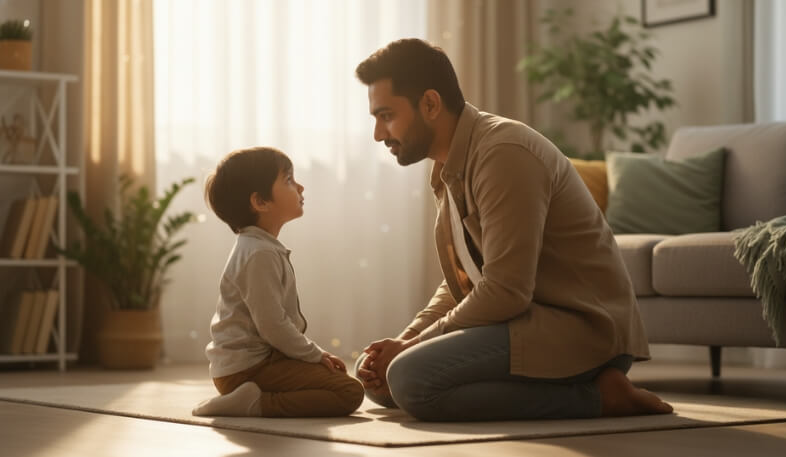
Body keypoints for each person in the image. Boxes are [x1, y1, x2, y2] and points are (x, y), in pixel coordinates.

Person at [353, 38, 674, 421]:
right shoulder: (449, 167)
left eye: (386, 115)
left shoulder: (503, 152)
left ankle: (600, 397)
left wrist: (412, 348)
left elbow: (506, 291)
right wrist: (406, 339)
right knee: (377, 377)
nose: (378, 133)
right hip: (520, 323)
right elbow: (464, 280)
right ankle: (583, 390)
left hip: (579, 329)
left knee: (408, 379)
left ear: (431, 104)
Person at [192, 146, 364, 417]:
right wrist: (315, 354)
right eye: (288, 180)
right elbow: (273, 325)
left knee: (336, 379)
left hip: (254, 365)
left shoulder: (259, 247)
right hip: (246, 370)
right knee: (349, 392)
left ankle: (250, 397)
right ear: (260, 202)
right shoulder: (259, 253)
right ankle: (254, 404)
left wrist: (312, 358)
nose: (300, 187)